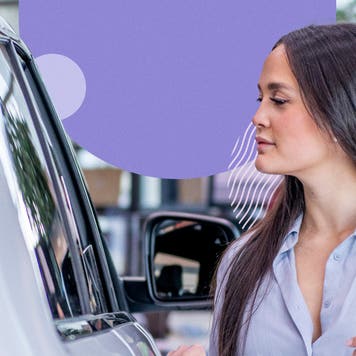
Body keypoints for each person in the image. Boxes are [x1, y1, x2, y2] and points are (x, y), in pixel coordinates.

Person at [168, 23, 356, 356]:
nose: (257, 116)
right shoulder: (242, 263)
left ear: (341, 110)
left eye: (279, 100)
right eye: (260, 98)